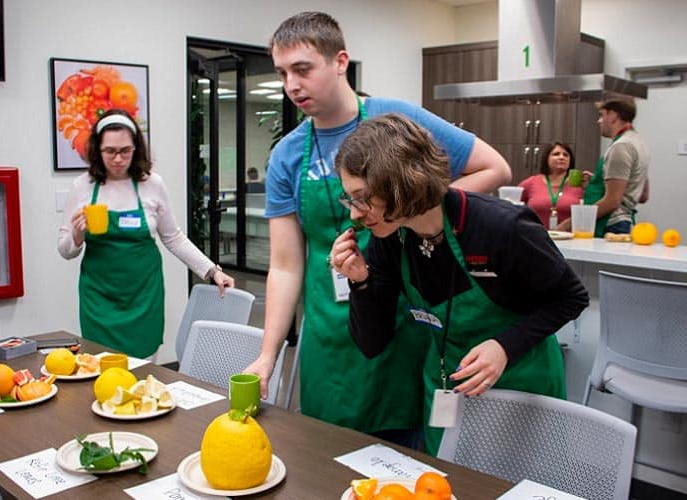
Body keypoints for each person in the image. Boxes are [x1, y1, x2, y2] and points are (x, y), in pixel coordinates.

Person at [243, 11, 511, 447]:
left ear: (340, 61)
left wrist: (412, 209)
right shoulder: (288, 155)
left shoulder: (395, 119)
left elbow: (494, 168)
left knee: (405, 464)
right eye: (283, 72)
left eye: (303, 69)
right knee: (326, 459)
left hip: (403, 316)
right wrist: (267, 356)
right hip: (328, 328)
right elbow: (286, 266)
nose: (292, 85)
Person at [330, 113, 589, 454]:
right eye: (350, 199)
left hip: (522, 381)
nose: (355, 214)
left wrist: (505, 346)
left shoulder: (502, 226)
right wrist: (361, 283)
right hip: (447, 383)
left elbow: (572, 297)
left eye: (362, 198)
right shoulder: (389, 239)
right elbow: (371, 343)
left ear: (401, 182)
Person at [58, 109, 234, 358]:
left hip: (143, 297)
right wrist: (77, 236)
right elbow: (64, 250)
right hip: (99, 299)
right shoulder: (82, 186)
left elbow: (173, 237)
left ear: (136, 149)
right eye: (110, 151)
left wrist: (211, 270)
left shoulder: (152, 184)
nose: (118, 159)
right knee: (100, 370)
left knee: (143, 368)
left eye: (125, 151)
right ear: (97, 150)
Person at [581, 99, 650, 236]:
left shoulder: (621, 146)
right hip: (625, 222)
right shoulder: (638, 142)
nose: (599, 121)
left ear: (613, 115)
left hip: (611, 225)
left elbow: (612, 201)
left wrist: (574, 222)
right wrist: (598, 182)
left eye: (601, 115)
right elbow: (642, 195)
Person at [519, 142, 583, 230]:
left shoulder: (579, 184)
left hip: (570, 239)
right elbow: (512, 207)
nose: (561, 157)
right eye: (556, 154)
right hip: (536, 237)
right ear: (546, 158)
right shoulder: (531, 183)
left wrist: (591, 184)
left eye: (566, 155)